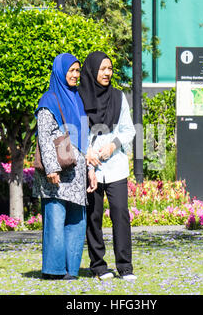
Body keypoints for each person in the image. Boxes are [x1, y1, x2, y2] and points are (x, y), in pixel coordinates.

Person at [33, 53, 97, 280]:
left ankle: (71, 269)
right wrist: (51, 169)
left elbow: (85, 137)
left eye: (77, 71)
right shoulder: (48, 100)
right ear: (60, 71)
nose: (75, 75)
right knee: (56, 220)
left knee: (76, 222)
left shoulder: (77, 99)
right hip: (57, 174)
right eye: (71, 71)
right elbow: (44, 136)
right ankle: (54, 269)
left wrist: (90, 169)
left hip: (77, 173)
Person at [78, 51, 137, 281]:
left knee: (120, 213)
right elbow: (76, 128)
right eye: (102, 69)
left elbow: (128, 129)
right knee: (93, 216)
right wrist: (87, 153)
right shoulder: (80, 97)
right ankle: (99, 266)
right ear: (92, 71)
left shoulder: (118, 97)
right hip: (90, 166)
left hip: (115, 167)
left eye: (110, 69)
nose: (107, 73)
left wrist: (113, 146)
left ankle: (125, 266)